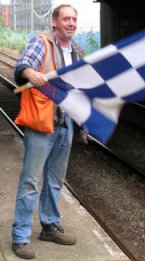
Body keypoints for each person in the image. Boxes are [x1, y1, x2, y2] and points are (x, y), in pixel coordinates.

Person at [12, 4, 86, 259]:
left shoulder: (77, 52)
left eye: (74, 19)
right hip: (42, 125)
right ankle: (20, 237)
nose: (71, 23)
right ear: (54, 22)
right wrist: (32, 73)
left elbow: (79, 92)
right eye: (66, 18)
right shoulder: (42, 43)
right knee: (31, 181)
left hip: (65, 126)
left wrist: (83, 126)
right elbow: (21, 67)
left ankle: (50, 226)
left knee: (55, 181)